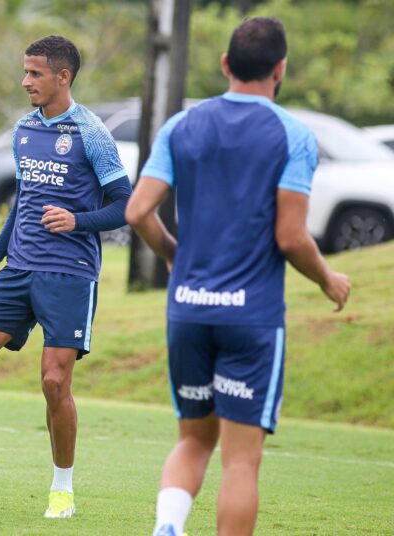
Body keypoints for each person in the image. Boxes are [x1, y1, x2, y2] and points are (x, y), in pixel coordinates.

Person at [125, 17, 350, 536]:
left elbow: (138, 212)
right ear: (281, 69)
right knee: (241, 461)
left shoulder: (180, 127)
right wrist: (327, 280)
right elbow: (291, 238)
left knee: (193, 439)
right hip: (251, 316)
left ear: (225, 65)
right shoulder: (293, 135)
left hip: (188, 309)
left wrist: (173, 256)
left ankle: (168, 528)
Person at [0, 35, 132, 518]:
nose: (25, 81)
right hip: (17, 268)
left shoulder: (91, 133)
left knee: (55, 382)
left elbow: (127, 204)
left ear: (63, 76)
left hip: (69, 273)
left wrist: (79, 221)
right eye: (25, 71)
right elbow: (24, 204)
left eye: (35, 73)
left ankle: (62, 488)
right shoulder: (23, 130)